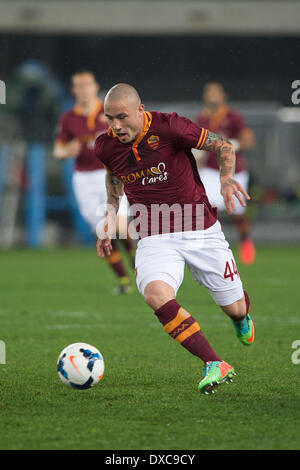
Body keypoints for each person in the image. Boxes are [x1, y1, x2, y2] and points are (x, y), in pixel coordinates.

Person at [94, 83, 255, 395]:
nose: (115, 126)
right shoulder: (105, 146)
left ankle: (241, 317)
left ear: (140, 111)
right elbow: (113, 174)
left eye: (122, 117)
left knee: (235, 308)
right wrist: (110, 215)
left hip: (200, 230)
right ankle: (213, 362)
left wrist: (225, 178)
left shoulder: (171, 126)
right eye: (109, 118)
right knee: (156, 295)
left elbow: (223, 145)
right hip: (153, 236)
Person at [54, 71, 135, 295]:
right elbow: (58, 149)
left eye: (87, 85)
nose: (83, 89)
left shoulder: (109, 112)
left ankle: (138, 266)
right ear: (74, 90)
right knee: (102, 230)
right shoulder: (68, 118)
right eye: (78, 86)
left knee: (119, 226)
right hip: (84, 179)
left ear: (95, 87)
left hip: (111, 173)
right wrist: (65, 152)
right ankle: (123, 279)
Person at [195, 82, 256, 265]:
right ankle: (214, 246)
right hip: (211, 171)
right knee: (210, 208)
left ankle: (245, 239)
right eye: (209, 93)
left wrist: (235, 144)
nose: (212, 96)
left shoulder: (233, 116)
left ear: (223, 95)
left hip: (234, 171)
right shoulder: (201, 118)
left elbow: (248, 140)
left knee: (236, 212)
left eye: (216, 93)